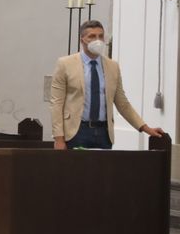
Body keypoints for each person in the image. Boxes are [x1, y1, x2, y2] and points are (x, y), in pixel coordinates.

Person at [50, 20, 164, 149]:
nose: (97, 40)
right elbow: (56, 103)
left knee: (104, 169)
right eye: (92, 36)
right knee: (77, 169)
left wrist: (146, 128)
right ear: (82, 40)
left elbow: (123, 103)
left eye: (100, 36)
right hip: (76, 131)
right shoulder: (65, 64)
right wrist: (58, 138)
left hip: (104, 132)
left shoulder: (112, 66)